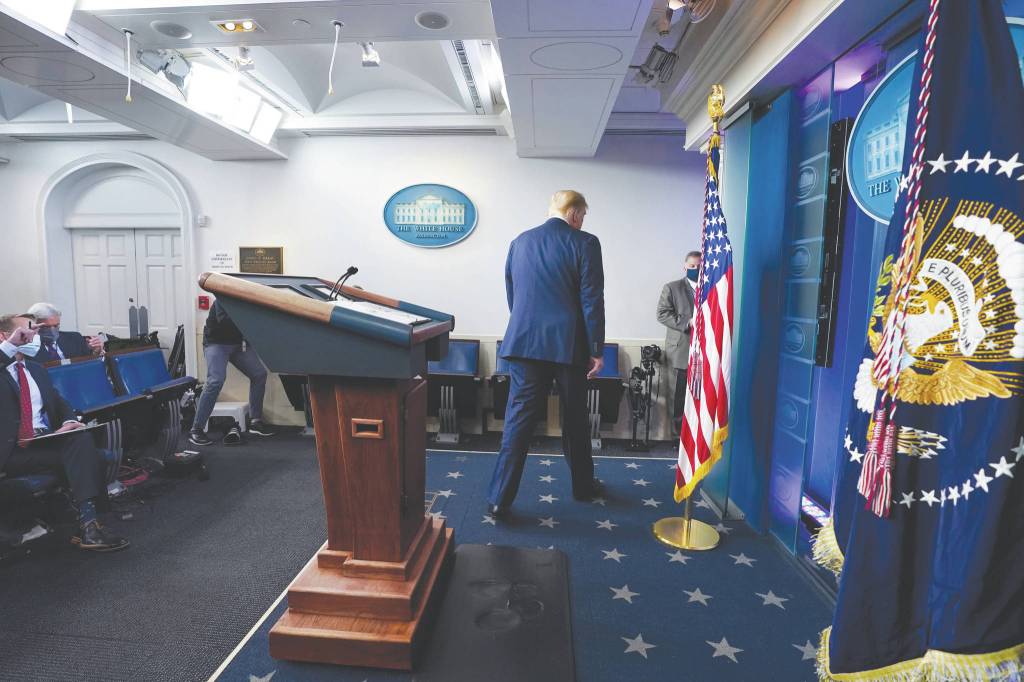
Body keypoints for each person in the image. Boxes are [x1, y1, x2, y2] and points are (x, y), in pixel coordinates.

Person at [486, 190, 605, 518]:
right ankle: (583, 487)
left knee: (518, 419)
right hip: (569, 345)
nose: (582, 222)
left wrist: (528, 327)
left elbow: (513, 294)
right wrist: (596, 349)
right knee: (575, 418)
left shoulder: (520, 241)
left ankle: (499, 499)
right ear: (575, 213)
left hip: (524, 342)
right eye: (583, 216)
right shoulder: (585, 242)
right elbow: (592, 299)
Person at [0, 314, 128, 552]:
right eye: (26, 332)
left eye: (35, 332)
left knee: (79, 437)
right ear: (4, 336)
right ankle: (90, 523)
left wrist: (69, 421)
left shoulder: (35, 369)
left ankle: (88, 523)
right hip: (14, 450)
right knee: (87, 453)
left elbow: (59, 402)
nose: (33, 337)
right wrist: (9, 346)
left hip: (42, 440)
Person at [188, 300, 274, 446]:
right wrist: (252, 319)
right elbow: (225, 321)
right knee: (215, 381)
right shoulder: (222, 298)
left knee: (259, 374)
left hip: (238, 344)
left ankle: (255, 421)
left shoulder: (249, 299)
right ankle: (196, 429)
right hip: (216, 343)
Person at [657, 250, 702, 436]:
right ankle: (678, 439)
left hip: (704, 352)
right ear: (685, 266)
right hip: (680, 351)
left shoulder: (712, 288)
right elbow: (662, 314)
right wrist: (687, 322)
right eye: (692, 266)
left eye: (699, 266)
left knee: (701, 398)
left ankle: (696, 440)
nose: (695, 269)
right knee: (678, 398)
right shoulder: (672, 288)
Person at [25, 302, 103, 363]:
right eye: (46, 327)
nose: (52, 330)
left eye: (56, 326)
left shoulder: (74, 338)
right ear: (32, 325)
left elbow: (87, 364)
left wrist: (96, 352)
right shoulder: (27, 348)